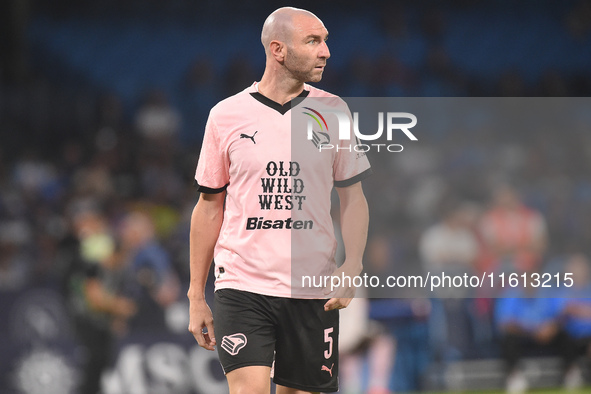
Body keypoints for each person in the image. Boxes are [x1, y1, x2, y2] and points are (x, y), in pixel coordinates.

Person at [187, 7, 371, 394]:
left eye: (325, 40)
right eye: (313, 41)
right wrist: (195, 294)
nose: (326, 52)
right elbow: (209, 207)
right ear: (278, 50)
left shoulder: (334, 111)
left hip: (311, 286)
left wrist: (353, 263)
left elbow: (352, 198)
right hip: (242, 284)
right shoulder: (226, 115)